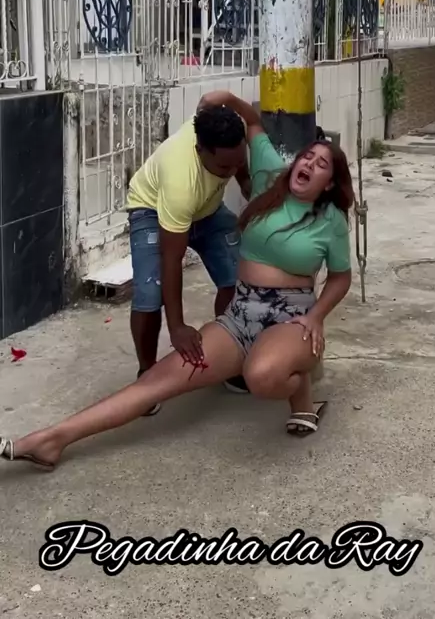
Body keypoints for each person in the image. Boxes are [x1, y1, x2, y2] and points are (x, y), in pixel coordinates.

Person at [0, 92, 354, 471]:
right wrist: (226, 98)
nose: (309, 163)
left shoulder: (330, 221)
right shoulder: (270, 173)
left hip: (291, 319)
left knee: (261, 376)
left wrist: (316, 316)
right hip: (239, 319)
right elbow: (253, 121)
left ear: (329, 184)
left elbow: (341, 277)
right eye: (307, 156)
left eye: (321, 164)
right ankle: (52, 439)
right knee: (154, 383)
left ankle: (300, 390)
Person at [125, 103, 251, 413]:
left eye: (237, 162)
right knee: (150, 294)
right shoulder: (180, 180)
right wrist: (177, 327)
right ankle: (147, 375)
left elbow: (241, 169)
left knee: (241, 278)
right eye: (224, 167)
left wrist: (252, 192)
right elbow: (172, 259)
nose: (231, 171)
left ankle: (230, 358)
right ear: (199, 151)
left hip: (207, 210)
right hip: (152, 209)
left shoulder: (231, 135)